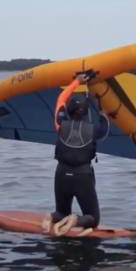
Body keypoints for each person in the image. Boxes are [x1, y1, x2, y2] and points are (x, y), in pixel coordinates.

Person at [41, 72, 110, 236]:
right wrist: (103, 115)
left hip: (61, 173)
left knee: (61, 212)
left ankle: (50, 217)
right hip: (82, 175)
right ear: (86, 111)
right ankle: (76, 221)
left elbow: (61, 100)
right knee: (93, 218)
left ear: (69, 110)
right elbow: (105, 126)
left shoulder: (60, 123)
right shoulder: (95, 130)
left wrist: (76, 82)